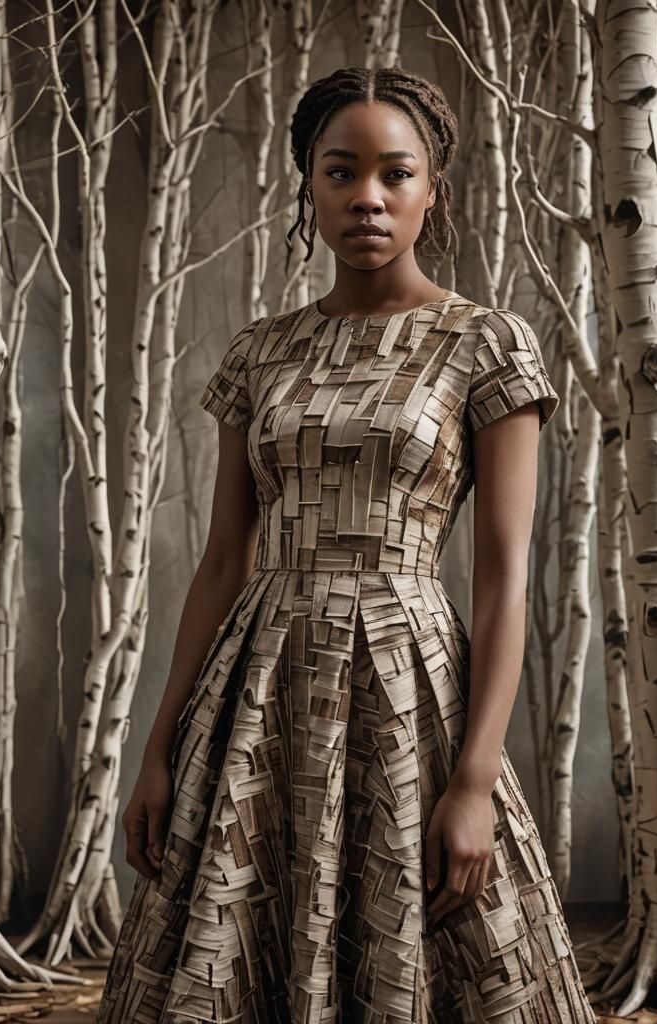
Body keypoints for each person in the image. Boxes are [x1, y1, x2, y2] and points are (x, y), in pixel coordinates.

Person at [97, 65, 596, 1024]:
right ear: (310, 187)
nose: (367, 196)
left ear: (431, 190)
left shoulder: (485, 344)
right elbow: (223, 561)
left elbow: (503, 581)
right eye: (341, 172)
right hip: (260, 687)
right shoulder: (259, 352)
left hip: (407, 686)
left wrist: (475, 782)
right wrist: (159, 749)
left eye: (395, 173)